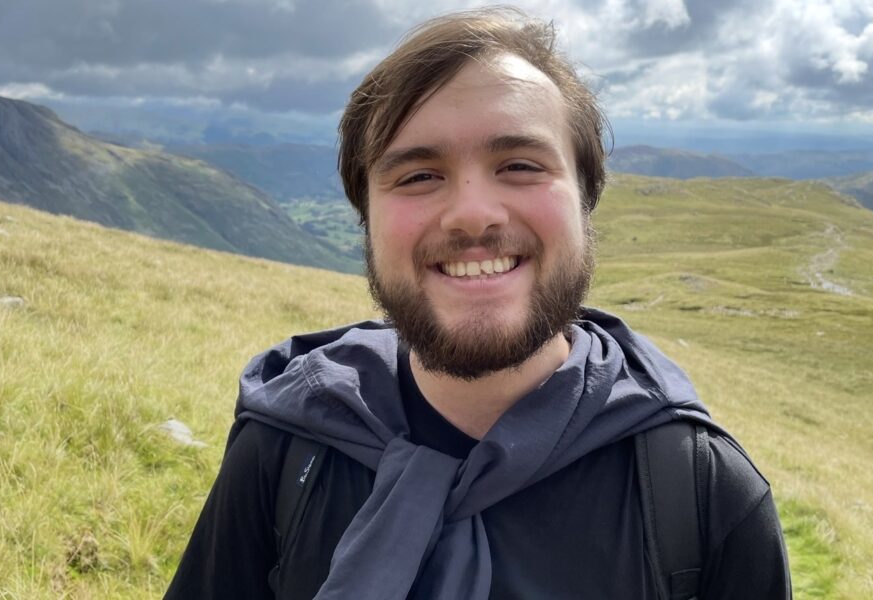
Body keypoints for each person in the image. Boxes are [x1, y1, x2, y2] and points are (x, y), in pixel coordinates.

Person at [165, 7, 791, 599]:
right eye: (417, 176)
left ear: (585, 203)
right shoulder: (283, 446)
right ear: (367, 221)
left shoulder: (700, 490)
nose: (471, 213)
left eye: (519, 164)